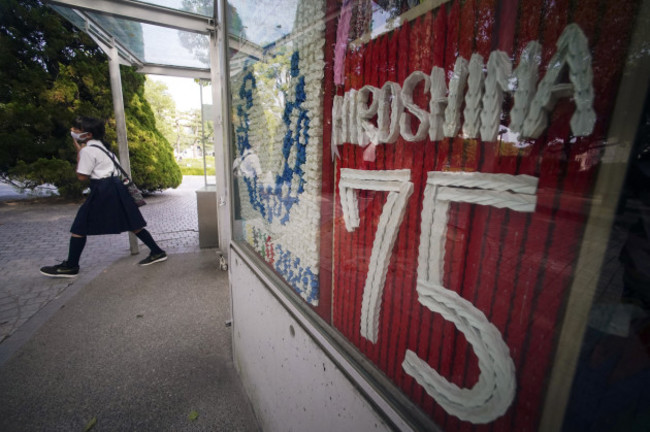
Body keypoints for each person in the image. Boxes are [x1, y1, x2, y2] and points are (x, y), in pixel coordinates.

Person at [40, 116, 167, 278]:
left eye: (77, 130)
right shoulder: (104, 149)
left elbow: (82, 176)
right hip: (116, 188)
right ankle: (157, 251)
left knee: (80, 225)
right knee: (133, 222)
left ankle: (71, 266)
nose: (73, 132)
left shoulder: (88, 150)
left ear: (88, 134)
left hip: (103, 189)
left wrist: (79, 152)